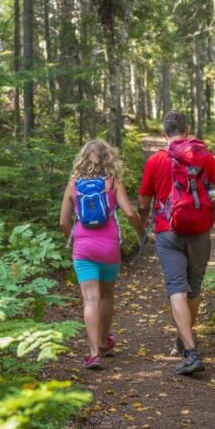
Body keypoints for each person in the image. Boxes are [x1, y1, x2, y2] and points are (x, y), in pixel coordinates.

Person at [138, 111, 215, 375]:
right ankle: (186, 342)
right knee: (193, 289)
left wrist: (145, 218)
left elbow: (142, 203)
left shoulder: (155, 160)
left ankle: (190, 349)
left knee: (176, 288)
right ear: (187, 129)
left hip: (167, 230)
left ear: (164, 133)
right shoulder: (206, 157)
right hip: (200, 231)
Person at [60, 139, 145, 370]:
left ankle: (93, 353)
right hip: (109, 247)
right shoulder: (112, 182)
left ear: (82, 159)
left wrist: (75, 238)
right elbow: (129, 212)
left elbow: (63, 221)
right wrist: (141, 232)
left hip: (83, 247)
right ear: (109, 158)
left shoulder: (73, 184)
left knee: (90, 299)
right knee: (107, 296)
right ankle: (103, 342)